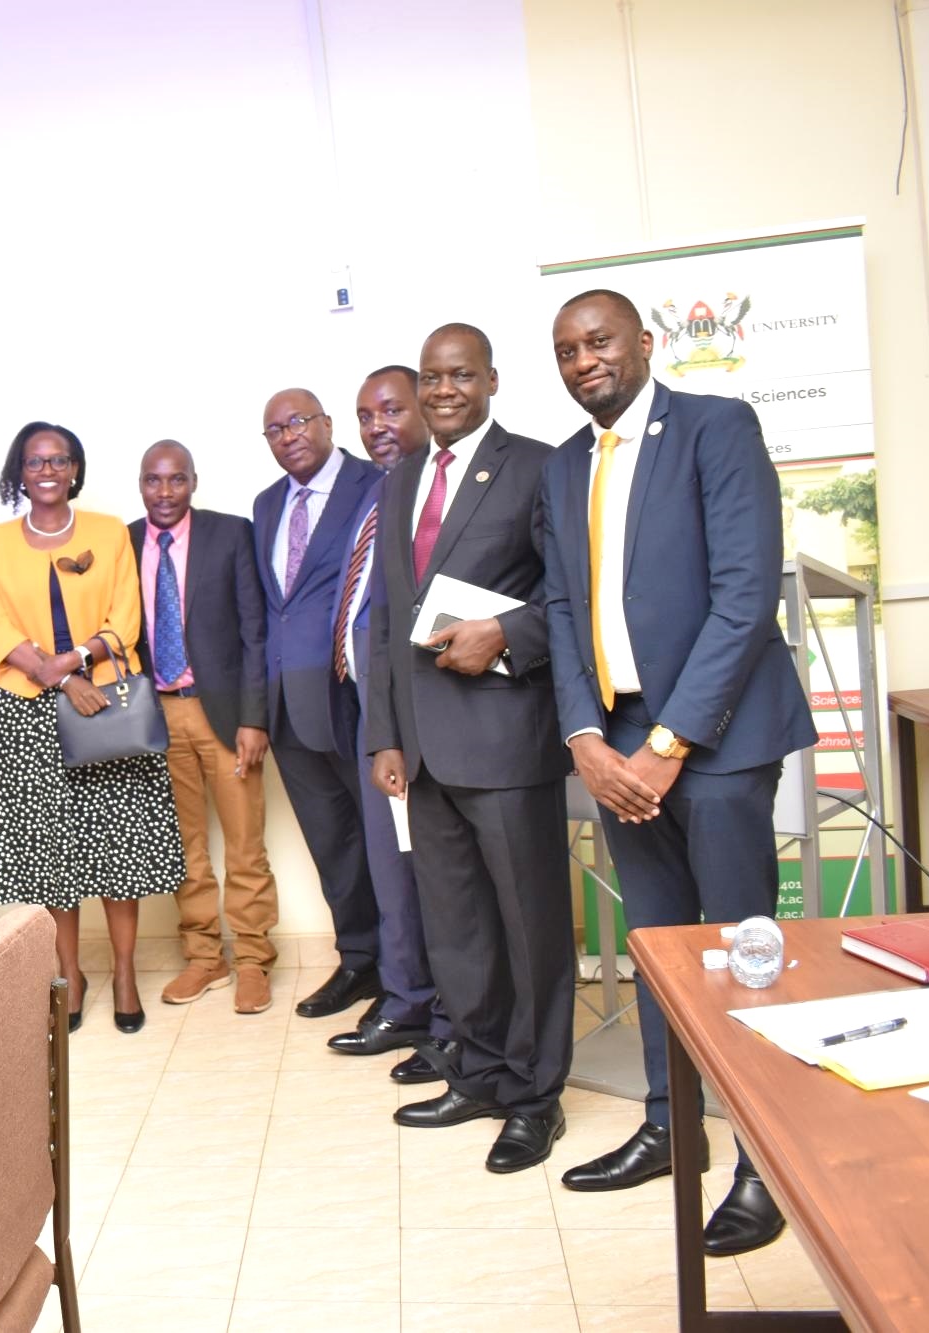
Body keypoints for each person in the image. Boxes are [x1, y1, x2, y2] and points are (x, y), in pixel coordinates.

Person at [544, 289, 814, 1255]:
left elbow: (746, 596)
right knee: (659, 949)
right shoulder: (565, 464)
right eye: (569, 349)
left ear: (644, 344)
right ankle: (672, 1128)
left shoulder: (714, 427)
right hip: (615, 745)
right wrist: (584, 735)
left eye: (601, 341)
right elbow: (562, 609)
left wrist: (667, 748)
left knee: (743, 953)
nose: (585, 361)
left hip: (719, 742)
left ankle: (765, 1160)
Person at [367, 322, 571, 1174]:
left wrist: (506, 631)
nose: (443, 390)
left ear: (490, 380)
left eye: (460, 375)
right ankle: (481, 1072)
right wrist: (383, 734)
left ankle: (536, 1096)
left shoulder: (538, 465)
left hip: (504, 736)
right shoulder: (403, 478)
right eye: (431, 377)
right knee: (458, 929)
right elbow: (384, 617)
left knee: (530, 927)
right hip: (422, 747)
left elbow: (571, 594)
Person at [0, 422, 183, 1034]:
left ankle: (122, 972)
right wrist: (62, 680)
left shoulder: (109, 532)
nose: (47, 470)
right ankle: (67, 974)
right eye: (35, 461)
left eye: (59, 460)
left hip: (108, 704)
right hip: (26, 708)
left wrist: (77, 664)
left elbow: (126, 614)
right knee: (54, 857)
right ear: (20, 470)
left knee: (118, 848)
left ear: (74, 469)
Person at [326, 368, 455, 1077]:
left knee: (431, 872)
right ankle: (406, 999)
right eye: (364, 414)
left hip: (426, 714)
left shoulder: (438, 495)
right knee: (390, 868)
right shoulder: (378, 497)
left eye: (390, 409)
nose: (376, 425)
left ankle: (447, 1016)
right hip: (371, 711)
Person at [128, 440, 279, 1015]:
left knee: (245, 844)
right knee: (183, 847)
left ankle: (254, 960)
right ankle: (204, 958)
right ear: (140, 484)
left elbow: (254, 632)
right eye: (152, 481)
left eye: (176, 480)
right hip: (157, 717)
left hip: (222, 714)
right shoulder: (123, 541)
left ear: (194, 481)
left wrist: (253, 717)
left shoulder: (229, 533)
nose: (164, 493)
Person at [251, 389, 382, 1020]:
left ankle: (410, 969)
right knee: (332, 844)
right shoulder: (267, 503)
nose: (288, 435)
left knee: (385, 841)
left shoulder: (375, 483)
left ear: (328, 424)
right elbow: (269, 611)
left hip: (352, 699)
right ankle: (359, 959)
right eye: (273, 429)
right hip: (286, 707)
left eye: (298, 421)